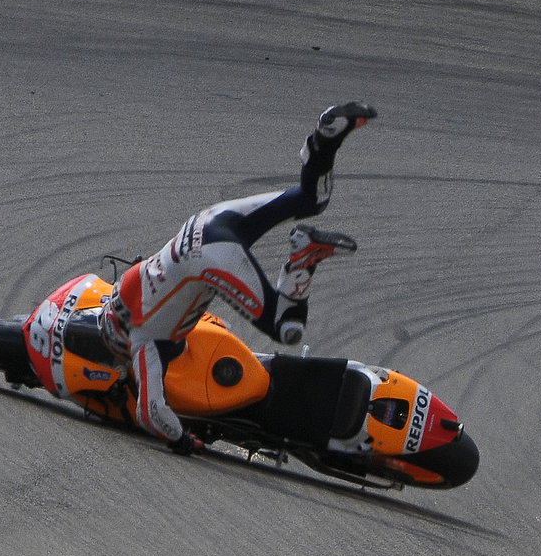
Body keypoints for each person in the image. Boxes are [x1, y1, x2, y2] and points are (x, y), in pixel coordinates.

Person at [98, 101, 376, 454]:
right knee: (312, 198)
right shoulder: (131, 280)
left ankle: (304, 256)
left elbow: (150, 413)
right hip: (207, 221)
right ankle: (325, 138)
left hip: (210, 256)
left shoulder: (143, 343)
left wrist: (182, 441)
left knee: (286, 328)